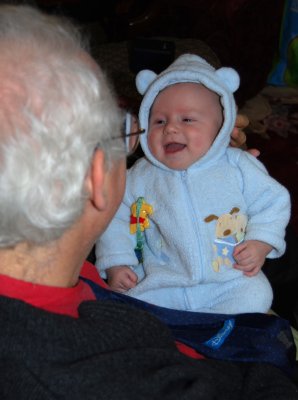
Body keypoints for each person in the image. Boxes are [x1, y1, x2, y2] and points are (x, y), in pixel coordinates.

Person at [0, 4, 297, 399]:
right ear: (96, 177)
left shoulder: (55, 267)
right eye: (127, 128)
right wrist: (117, 260)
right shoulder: (117, 375)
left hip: (235, 279)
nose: (153, 134)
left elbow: (270, 208)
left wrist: (247, 223)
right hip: (218, 326)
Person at [95, 54, 291, 314]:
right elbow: (114, 219)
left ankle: (211, 331)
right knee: (130, 307)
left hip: (227, 280)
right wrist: (117, 263)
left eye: (187, 119)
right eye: (159, 121)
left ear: (221, 128)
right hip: (161, 283)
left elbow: (272, 202)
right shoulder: (138, 177)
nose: (171, 129)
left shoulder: (238, 165)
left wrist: (260, 243)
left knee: (257, 294)